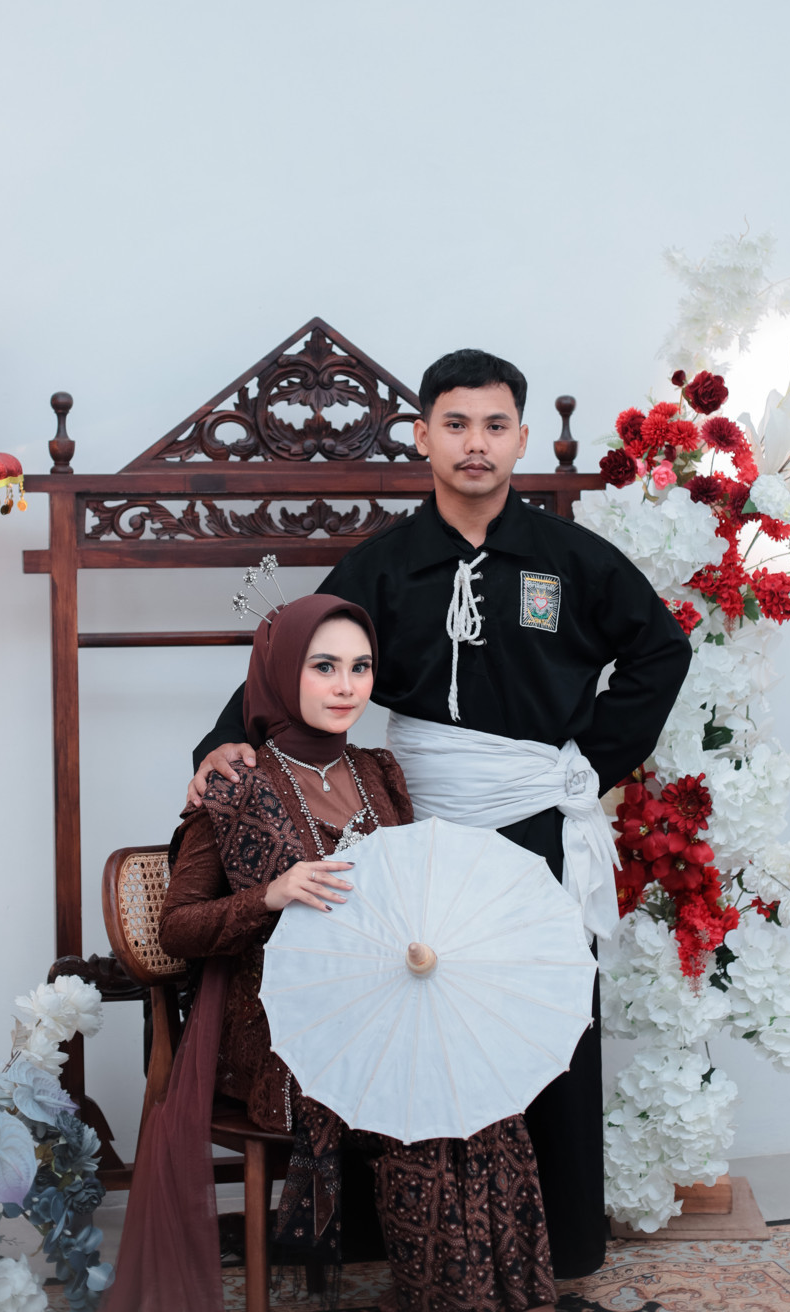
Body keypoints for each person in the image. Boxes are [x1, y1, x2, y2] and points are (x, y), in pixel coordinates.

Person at [190, 349, 693, 1279]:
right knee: (409, 1005)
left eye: (495, 425)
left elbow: (661, 648)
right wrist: (226, 741)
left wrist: (588, 760)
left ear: (521, 439)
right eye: (455, 425)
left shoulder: (571, 558)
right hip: (409, 821)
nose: (475, 444)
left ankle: (560, 1239)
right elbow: (298, 653)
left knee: (538, 1010)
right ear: (422, 436)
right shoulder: (384, 564)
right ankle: (394, 1234)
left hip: (534, 817)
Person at [109, 593, 557, 1312]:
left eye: (360, 667)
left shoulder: (380, 772)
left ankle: (503, 1296)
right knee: (428, 1102)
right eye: (323, 667)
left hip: (384, 1007)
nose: (346, 686)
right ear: (282, 672)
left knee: (481, 1094)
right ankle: (450, 1299)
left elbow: (405, 891)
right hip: (285, 1033)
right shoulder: (234, 784)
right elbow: (178, 928)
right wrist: (271, 894)